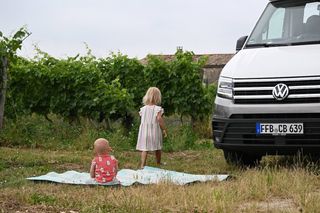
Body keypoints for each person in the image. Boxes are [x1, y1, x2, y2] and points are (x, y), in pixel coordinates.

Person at [136, 87, 167, 169]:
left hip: (144, 131)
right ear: (158, 97)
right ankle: (158, 162)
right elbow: (159, 119)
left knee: (144, 148)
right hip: (154, 131)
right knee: (158, 147)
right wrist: (163, 129)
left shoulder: (143, 109)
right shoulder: (158, 109)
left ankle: (142, 165)